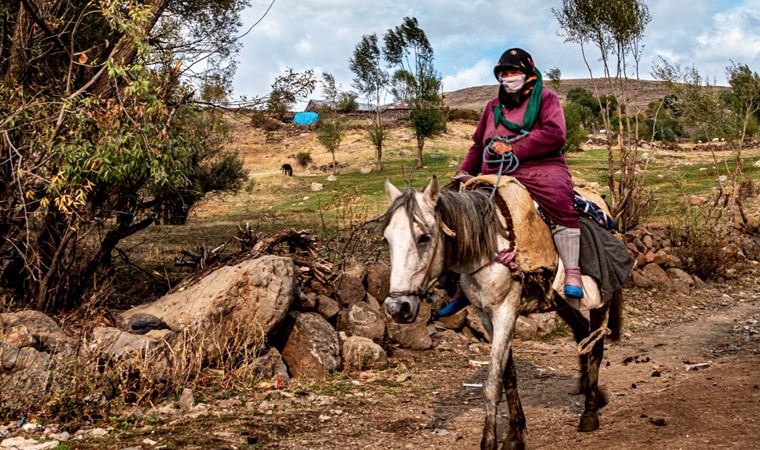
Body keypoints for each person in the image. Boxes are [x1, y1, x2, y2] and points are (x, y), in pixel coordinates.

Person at [440, 48, 582, 317]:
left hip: (540, 167)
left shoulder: (547, 99)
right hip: (493, 171)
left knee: (559, 197)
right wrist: (463, 172)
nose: (508, 78)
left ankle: (572, 272)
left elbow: (555, 134)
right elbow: (477, 144)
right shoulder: (492, 107)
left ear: (528, 74)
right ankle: (461, 285)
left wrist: (515, 148)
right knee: (454, 210)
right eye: (503, 73)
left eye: (513, 72)